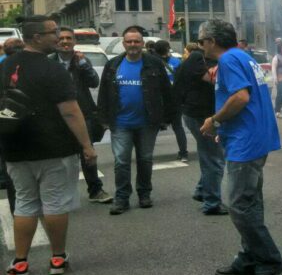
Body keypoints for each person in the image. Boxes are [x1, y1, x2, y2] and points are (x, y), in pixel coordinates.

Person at [1, 15, 97, 275]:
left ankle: (20, 263)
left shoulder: (6, 65)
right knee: (54, 204)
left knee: (25, 203)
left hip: (15, 148)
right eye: (53, 32)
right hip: (54, 148)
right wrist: (87, 145)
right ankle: (57, 258)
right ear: (36, 38)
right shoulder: (53, 69)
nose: (58, 37)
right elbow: (70, 111)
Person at [198, 19, 282, 275]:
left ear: (212, 41)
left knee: (238, 205)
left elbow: (240, 98)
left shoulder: (228, 61)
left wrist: (214, 120)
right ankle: (249, 257)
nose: (200, 46)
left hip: (245, 143)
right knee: (250, 201)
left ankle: (269, 260)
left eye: (201, 41)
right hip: (252, 137)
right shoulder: (243, 56)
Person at [97, 26, 175, 215]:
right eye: (129, 41)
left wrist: (166, 118)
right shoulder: (113, 64)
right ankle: (122, 198)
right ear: (124, 43)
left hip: (147, 123)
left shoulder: (154, 64)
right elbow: (104, 93)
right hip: (120, 123)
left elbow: (167, 92)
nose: (133, 45)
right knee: (121, 162)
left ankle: (144, 194)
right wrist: (103, 119)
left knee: (145, 159)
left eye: (136, 41)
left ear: (142, 43)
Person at [51, 27, 113, 203]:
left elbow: (94, 82)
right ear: (56, 41)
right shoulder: (49, 62)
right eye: (61, 38)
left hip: (82, 114)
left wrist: (84, 64)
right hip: (57, 116)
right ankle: (60, 194)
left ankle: (95, 190)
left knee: (88, 153)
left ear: (74, 42)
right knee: (59, 158)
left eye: (68, 38)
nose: (65, 42)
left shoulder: (81, 61)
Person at [174, 45, 227, 215]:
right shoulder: (198, 58)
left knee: (209, 154)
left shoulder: (203, 58)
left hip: (198, 113)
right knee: (214, 158)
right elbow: (212, 79)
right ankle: (212, 202)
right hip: (200, 114)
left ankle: (202, 190)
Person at [0, 37, 25, 210]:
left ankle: (16, 207)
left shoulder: (3, 64)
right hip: (27, 122)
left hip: (6, 122)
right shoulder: (28, 65)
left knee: (10, 167)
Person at [154, 40, 188, 162]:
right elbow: (182, 80)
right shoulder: (176, 62)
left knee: (151, 128)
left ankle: (145, 153)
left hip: (158, 99)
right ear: (168, 49)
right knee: (178, 126)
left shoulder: (153, 62)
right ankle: (183, 153)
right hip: (174, 99)